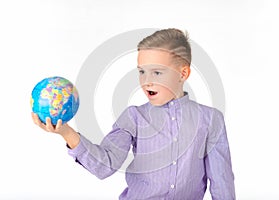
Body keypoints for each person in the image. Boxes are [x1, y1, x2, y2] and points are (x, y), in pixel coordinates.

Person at [32, 28, 236, 200]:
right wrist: (67, 133)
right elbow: (105, 166)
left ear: (183, 74)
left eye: (157, 72)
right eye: (141, 71)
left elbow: (222, 181)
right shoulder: (133, 117)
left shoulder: (211, 119)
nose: (146, 80)